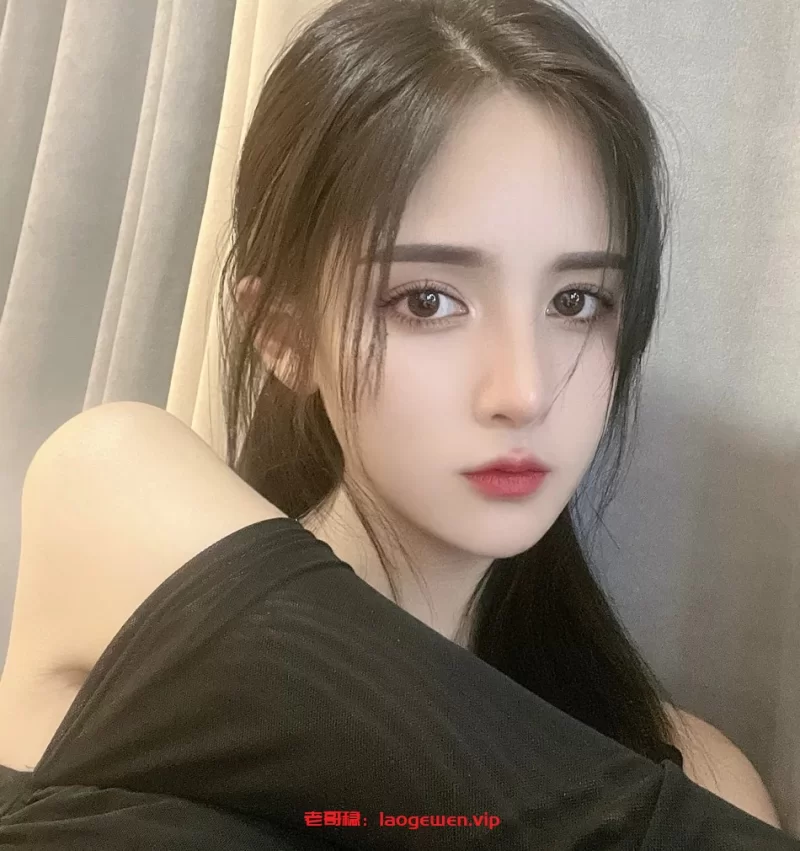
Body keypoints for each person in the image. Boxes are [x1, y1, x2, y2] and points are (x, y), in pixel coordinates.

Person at [0, 0, 792, 846]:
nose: (524, 391)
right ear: (283, 333)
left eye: (576, 301)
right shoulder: (116, 535)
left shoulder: (701, 774)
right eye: (428, 301)